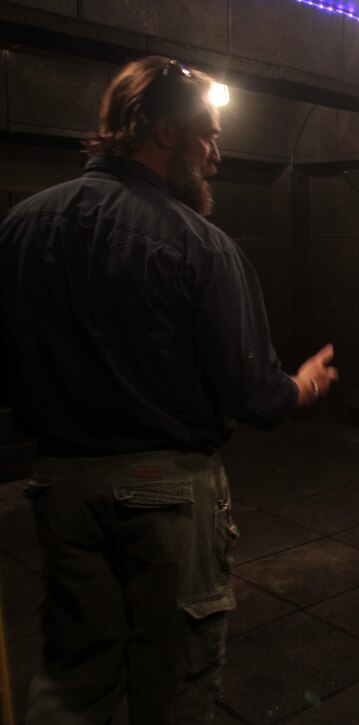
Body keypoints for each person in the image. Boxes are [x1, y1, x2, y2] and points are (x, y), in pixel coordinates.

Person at [0, 56, 338, 724]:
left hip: (59, 484)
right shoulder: (199, 245)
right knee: (175, 683)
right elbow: (255, 394)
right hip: (166, 493)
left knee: (72, 680)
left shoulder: (21, 227)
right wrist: (299, 386)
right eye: (206, 135)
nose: (213, 154)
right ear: (161, 132)